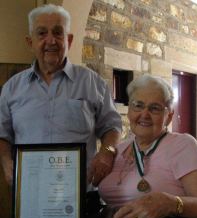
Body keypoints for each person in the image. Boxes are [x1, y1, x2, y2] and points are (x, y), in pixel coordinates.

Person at [98, 74, 197, 218]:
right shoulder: (118, 150)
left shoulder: (182, 145)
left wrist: (172, 203)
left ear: (169, 116)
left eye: (155, 108)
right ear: (129, 111)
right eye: (138, 105)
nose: (145, 114)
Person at [0, 4, 122, 188]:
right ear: (30, 41)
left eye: (58, 33)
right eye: (41, 33)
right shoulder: (12, 88)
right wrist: (7, 164)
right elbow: (3, 133)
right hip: (31, 192)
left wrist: (107, 151)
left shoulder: (93, 83)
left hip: (81, 193)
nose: (51, 41)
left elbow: (112, 126)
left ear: (69, 40)